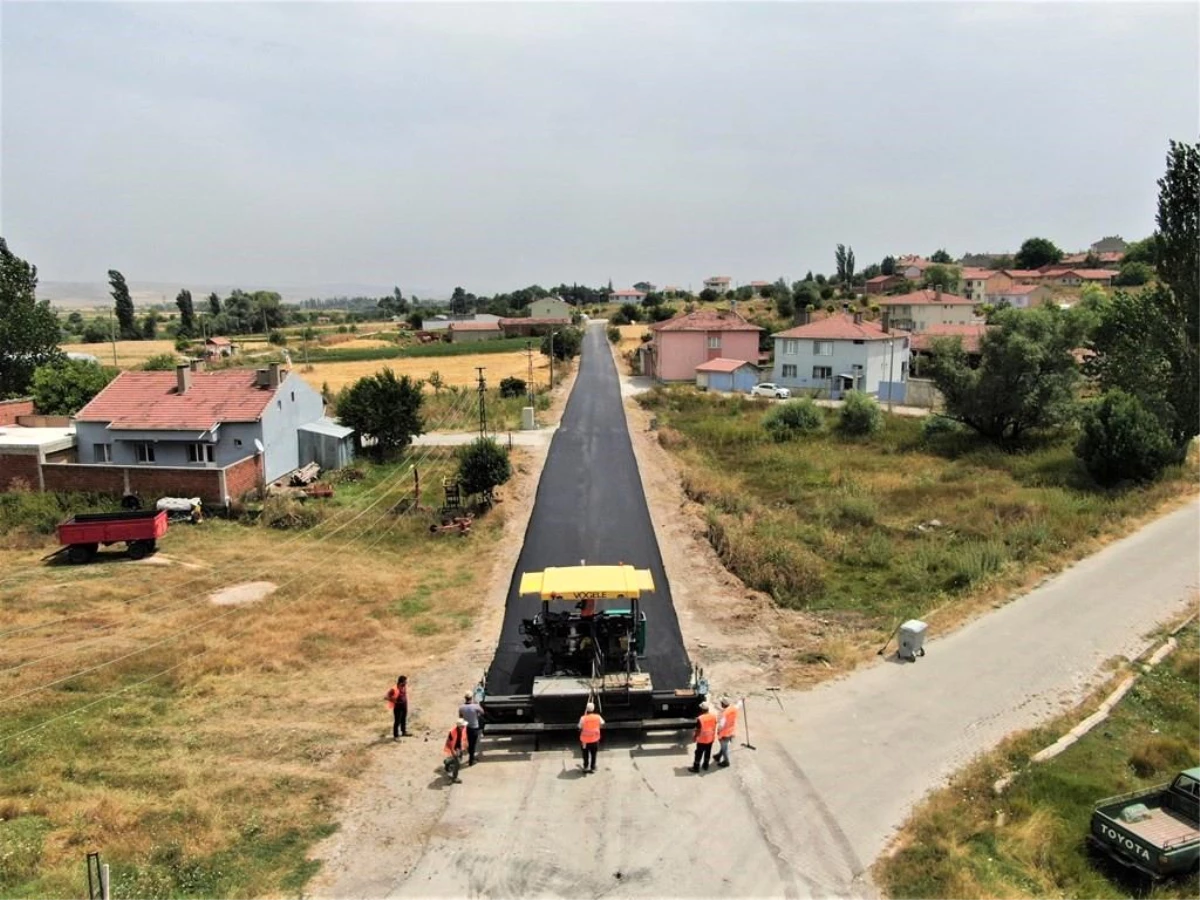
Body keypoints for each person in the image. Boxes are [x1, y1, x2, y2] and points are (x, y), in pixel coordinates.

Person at [688, 701, 718, 773]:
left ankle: (696, 768)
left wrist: (695, 737)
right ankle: (705, 765)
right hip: (711, 738)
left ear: (702, 709)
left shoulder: (700, 718)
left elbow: (698, 730)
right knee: (708, 752)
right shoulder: (713, 716)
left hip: (702, 739)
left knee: (698, 753)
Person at [458, 693, 486, 766]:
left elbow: (460, 717)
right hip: (474, 728)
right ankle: (471, 761)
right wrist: (478, 705)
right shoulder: (475, 706)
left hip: (465, 728)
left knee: (468, 743)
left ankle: (469, 756)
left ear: (465, 698)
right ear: (471, 697)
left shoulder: (461, 707)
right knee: (472, 745)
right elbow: (482, 712)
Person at [578, 701, 605, 773]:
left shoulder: (583, 718)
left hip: (585, 741)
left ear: (586, 709)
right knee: (594, 754)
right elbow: (602, 724)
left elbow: (579, 727)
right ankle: (593, 767)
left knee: (585, 754)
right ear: (593, 709)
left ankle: (586, 767)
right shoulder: (598, 717)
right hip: (595, 740)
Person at [714, 697, 737, 768]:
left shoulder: (724, 714)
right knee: (724, 746)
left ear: (723, 704)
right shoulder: (733, 708)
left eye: (721, 703)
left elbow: (721, 725)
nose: (720, 704)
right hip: (731, 731)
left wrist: (718, 731)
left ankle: (726, 762)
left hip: (725, 733)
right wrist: (742, 700)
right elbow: (739, 705)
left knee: (725, 748)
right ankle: (719, 756)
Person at [385, 675, 408, 740]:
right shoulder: (394, 689)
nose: (406, 683)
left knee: (403, 719)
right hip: (398, 708)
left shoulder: (404, 687)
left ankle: (403, 732)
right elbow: (386, 697)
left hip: (404, 706)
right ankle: (396, 736)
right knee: (397, 721)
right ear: (401, 682)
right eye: (405, 682)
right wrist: (393, 700)